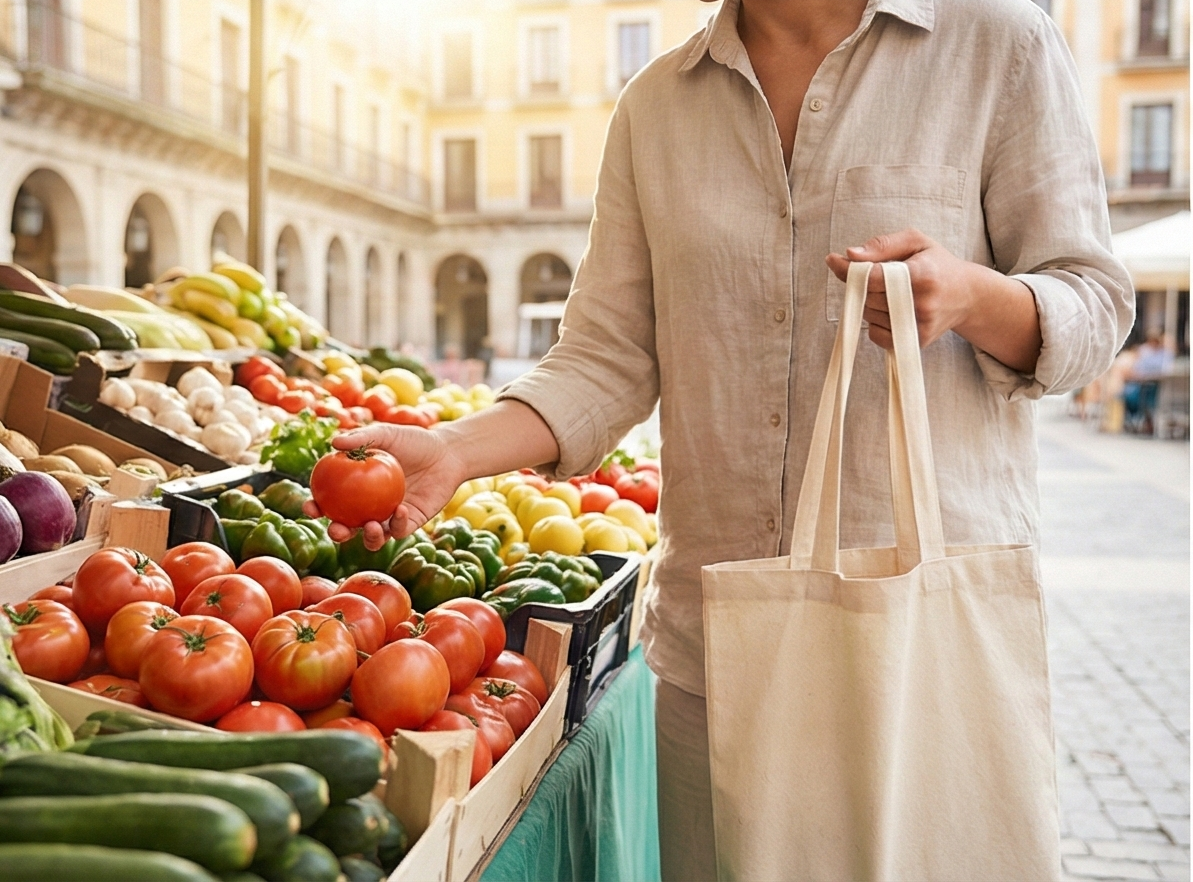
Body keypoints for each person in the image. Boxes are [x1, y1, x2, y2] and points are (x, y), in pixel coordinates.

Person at [308, 0, 1133, 877]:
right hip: (716, 657)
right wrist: (456, 450)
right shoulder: (656, 104)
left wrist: (972, 296)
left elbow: (1093, 304)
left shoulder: (997, 44)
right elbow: (604, 357)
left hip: (920, 645)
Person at [1124, 330, 1173, 433]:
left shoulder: (1164, 355)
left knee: (1147, 397)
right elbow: (1137, 369)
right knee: (1130, 395)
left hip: (1154, 388)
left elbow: (1164, 370)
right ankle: (1141, 421)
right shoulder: (1145, 352)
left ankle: (1145, 421)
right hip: (1143, 386)